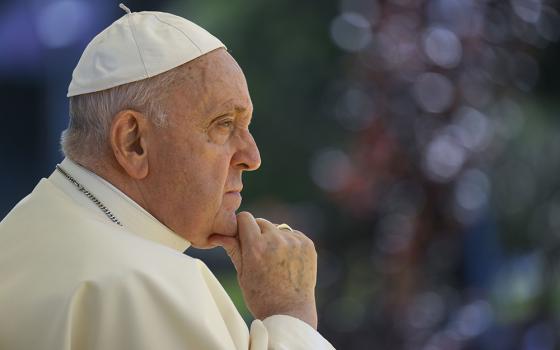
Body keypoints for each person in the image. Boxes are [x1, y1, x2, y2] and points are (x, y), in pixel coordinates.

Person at [0, 5, 335, 350]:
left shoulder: (18, 230)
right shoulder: (149, 285)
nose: (252, 157)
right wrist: (290, 316)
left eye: (246, 126)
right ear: (133, 142)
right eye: (223, 124)